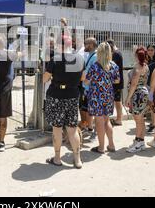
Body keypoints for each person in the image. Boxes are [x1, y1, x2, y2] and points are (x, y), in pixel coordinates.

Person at [42, 35, 84, 167]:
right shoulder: (79, 59)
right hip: (72, 95)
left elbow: (45, 79)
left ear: (59, 45)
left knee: (57, 129)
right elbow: (83, 77)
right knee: (72, 129)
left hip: (57, 96)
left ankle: (57, 158)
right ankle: (77, 160)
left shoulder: (55, 59)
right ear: (70, 45)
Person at [85, 42, 120, 154]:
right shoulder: (114, 65)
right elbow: (117, 80)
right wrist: (107, 81)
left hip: (96, 97)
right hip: (108, 96)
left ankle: (101, 147)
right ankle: (111, 144)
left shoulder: (95, 66)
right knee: (106, 120)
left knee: (99, 121)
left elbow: (86, 80)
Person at [125, 46, 150, 153]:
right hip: (143, 92)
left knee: (138, 120)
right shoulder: (146, 66)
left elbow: (134, 84)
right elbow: (143, 82)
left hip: (137, 95)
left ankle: (139, 142)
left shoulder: (137, 68)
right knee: (141, 120)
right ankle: (140, 141)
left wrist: (128, 98)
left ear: (136, 55)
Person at [79, 37, 98, 140]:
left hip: (91, 88)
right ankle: (90, 129)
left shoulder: (95, 57)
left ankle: (93, 132)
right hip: (87, 88)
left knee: (93, 111)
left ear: (90, 44)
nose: (84, 45)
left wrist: (84, 79)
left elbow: (93, 74)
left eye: (86, 43)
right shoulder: (90, 55)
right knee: (88, 110)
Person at [106, 39, 124, 127]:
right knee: (117, 100)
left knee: (117, 101)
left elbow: (111, 67)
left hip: (116, 82)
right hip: (116, 81)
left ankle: (119, 119)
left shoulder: (116, 54)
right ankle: (119, 119)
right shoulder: (117, 53)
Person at [146, 44, 155, 134]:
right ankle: (152, 123)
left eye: (152, 50)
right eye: (149, 50)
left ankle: (154, 125)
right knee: (151, 105)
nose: (150, 51)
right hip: (149, 86)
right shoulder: (149, 60)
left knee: (153, 105)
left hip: (154, 86)